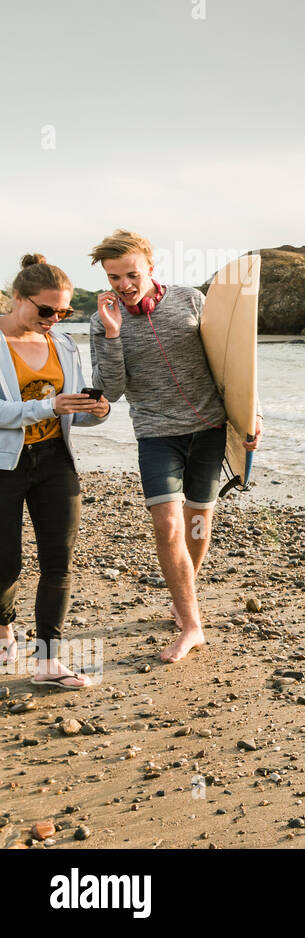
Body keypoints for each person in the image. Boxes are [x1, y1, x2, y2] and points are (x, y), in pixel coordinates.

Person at [88, 230, 263, 663]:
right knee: (167, 527)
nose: (124, 285)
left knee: (199, 524)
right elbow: (112, 390)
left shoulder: (190, 300)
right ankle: (191, 625)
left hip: (208, 431)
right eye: (114, 278)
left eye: (131, 274)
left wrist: (253, 415)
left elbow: (234, 363)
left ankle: (181, 594)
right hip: (156, 434)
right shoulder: (101, 322)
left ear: (151, 265)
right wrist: (112, 335)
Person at [0, 255, 111, 688]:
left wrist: (95, 410)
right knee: (5, 564)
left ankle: (48, 662)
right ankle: (5, 626)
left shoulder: (63, 343)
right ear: (16, 298)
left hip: (54, 461)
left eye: (62, 312)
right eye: (46, 310)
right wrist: (47, 405)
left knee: (58, 562)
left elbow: (73, 414)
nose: (55, 318)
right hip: (4, 464)